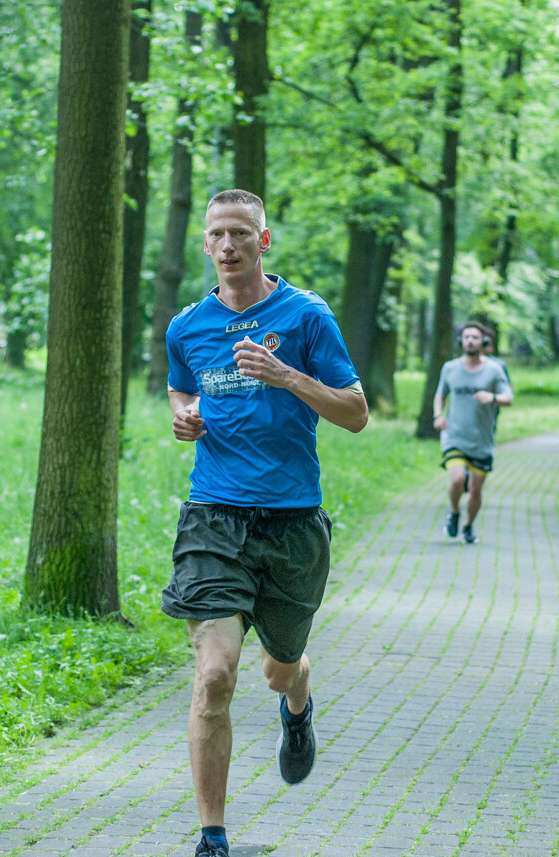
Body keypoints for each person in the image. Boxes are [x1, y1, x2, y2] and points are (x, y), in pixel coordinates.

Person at [163, 189, 369, 857]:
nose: (228, 246)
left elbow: (355, 410)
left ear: (264, 239)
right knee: (216, 672)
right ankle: (213, 835)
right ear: (205, 244)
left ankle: (298, 702)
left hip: (292, 527)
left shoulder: (307, 317)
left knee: (278, 670)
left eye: (240, 234)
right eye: (217, 235)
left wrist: (287, 376)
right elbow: (182, 386)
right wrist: (185, 415)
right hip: (214, 520)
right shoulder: (187, 325)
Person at [433, 322, 514, 544]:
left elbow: (509, 397)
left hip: (481, 440)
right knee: (458, 479)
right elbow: (440, 395)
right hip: (454, 436)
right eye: (466, 337)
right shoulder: (450, 368)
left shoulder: (494, 370)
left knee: (476, 488)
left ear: (484, 342)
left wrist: (493, 398)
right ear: (461, 341)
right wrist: (438, 415)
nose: (470, 340)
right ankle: (454, 513)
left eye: (475, 337)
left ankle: (468, 526)